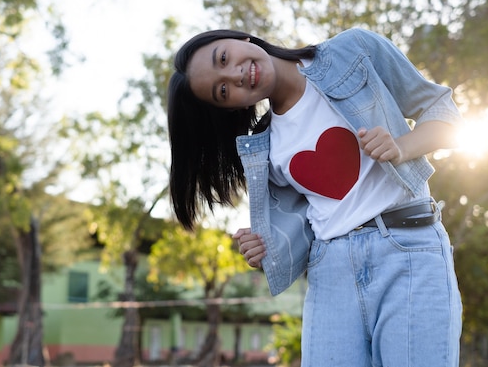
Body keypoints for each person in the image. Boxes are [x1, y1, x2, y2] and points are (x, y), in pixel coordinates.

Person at [167, 27, 462, 367]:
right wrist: (265, 246)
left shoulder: (354, 50)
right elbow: (299, 230)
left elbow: (445, 114)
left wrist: (401, 146)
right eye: (222, 91)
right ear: (229, 107)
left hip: (409, 249)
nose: (236, 74)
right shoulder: (263, 148)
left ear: (240, 39)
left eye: (224, 57)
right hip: (331, 273)